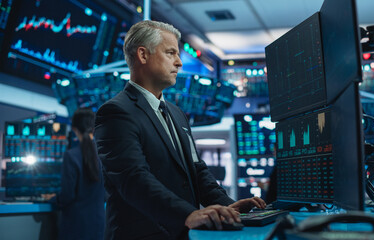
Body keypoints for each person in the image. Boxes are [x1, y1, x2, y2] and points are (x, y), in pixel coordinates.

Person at [94, 20, 266, 239]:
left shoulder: (177, 114)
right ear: (143, 55)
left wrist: (228, 206)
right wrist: (188, 214)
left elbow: (198, 171)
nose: (179, 62)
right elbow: (133, 179)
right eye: (170, 53)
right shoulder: (115, 113)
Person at [43, 108, 105, 240]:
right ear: (93, 128)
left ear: (75, 129)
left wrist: (52, 198)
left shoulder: (71, 156)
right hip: (98, 226)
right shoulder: (103, 156)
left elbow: (67, 196)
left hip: (76, 227)